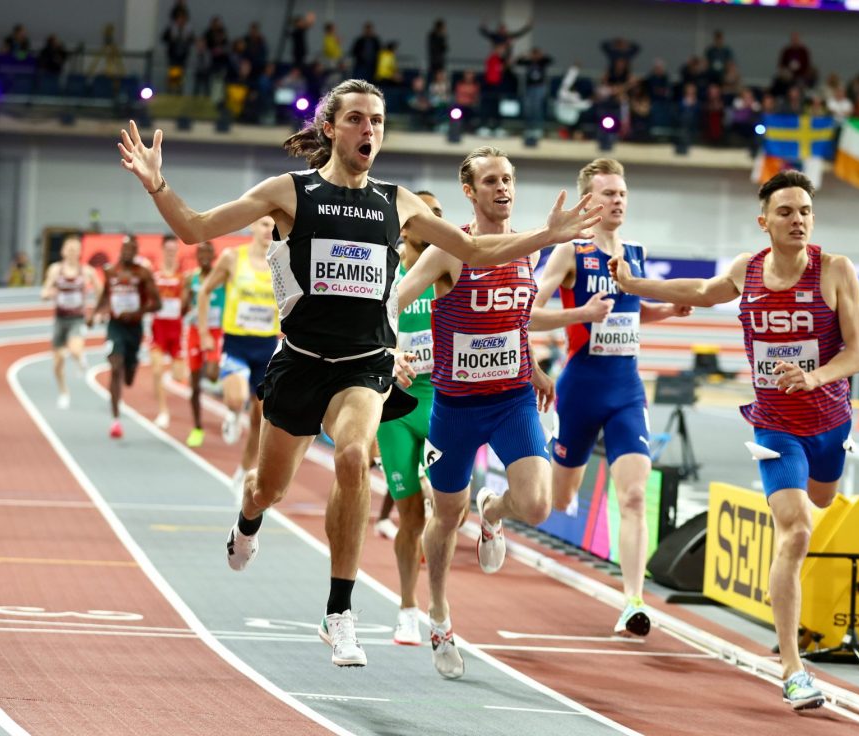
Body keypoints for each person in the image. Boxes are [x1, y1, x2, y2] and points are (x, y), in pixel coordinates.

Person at [115, 78, 600, 669]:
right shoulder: (288, 193)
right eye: (357, 119)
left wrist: (548, 235)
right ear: (330, 128)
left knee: (351, 457)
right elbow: (194, 228)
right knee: (268, 487)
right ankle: (248, 519)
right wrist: (157, 183)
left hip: (364, 364)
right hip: (300, 362)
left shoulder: (399, 203)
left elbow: (473, 254)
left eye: (377, 120)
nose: (369, 129)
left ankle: (338, 612)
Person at [608, 169, 859, 711]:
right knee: (795, 532)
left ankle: (802, 495)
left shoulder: (835, 270)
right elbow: (702, 292)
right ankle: (794, 670)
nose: (797, 220)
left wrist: (817, 376)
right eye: (786, 212)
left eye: (805, 211)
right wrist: (635, 286)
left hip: (829, 421)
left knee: (823, 501)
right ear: (764, 221)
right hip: (776, 426)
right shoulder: (746, 271)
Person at [395, 147, 560, 679]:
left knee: (536, 505)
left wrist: (532, 364)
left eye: (508, 179)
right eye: (491, 181)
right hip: (457, 407)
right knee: (444, 516)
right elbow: (397, 297)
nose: (503, 188)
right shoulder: (448, 250)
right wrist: (390, 348)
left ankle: (493, 513)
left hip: (511, 400)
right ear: (470, 191)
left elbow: (518, 313)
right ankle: (439, 613)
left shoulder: (528, 251)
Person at [529, 158, 691, 636]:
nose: (618, 200)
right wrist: (580, 310)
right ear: (589, 201)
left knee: (635, 496)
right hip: (580, 387)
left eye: (622, 193)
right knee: (554, 502)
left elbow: (629, 314)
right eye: (609, 194)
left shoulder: (635, 254)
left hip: (626, 390)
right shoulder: (570, 253)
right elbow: (529, 314)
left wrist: (666, 310)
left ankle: (634, 601)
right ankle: (497, 508)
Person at [374, 191, 443, 645]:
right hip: (395, 409)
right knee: (410, 515)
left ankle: (440, 607)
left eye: (440, 215)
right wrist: (390, 353)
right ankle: (407, 607)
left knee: (446, 499)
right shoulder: (384, 271)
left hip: (441, 400)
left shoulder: (451, 269)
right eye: (428, 215)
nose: (438, 222)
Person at [195, 217, 279, 491]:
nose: (269, 230)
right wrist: (205, 332)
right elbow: (205, 291)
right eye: (264, 224)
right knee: (235, 398)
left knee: (261, 419)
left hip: (267, 347)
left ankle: (244, 470)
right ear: (252, 226)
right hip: (237, 344)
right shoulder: (233, 258)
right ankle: (232, 413)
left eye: (273, 226)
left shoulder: (283, 262)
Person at [89, 235, 162, 439]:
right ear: (120, 250)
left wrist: (137, 312)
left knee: (128, 376)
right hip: (115, 326)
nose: (127, 252)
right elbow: (105, 295)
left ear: (136, 250)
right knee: (115, 366)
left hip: (134, 328)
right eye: (124, 248)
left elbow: (157, 303)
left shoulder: (143, 273)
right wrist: (94, 313)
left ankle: (133, 364)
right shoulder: (111, 271)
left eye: (131, 249)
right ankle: (115, 420)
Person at [40, 233, 102, 409]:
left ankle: (80, 358)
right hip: (60, 319)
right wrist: (48, 294)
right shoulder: (55, 269)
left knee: (75, 350)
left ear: (80, 252)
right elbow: (44, 291)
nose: (72, 252)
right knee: (57, 362)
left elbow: (100, 291)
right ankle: (63, 392)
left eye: (75, 249)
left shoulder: (87, 271)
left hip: (77, 318)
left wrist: (97, 310)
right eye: (69, 249)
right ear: (63, 251)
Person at [184, 240, 225, 447]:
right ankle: (197, 427)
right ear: (196, 257)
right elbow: (183, 307)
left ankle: (223, 376)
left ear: (214, 255)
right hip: (194, 333)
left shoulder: (222, 278)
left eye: (209, 252)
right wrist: (188, 300)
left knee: (211, 373)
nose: (205, 257)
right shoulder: (191, 278)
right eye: (201, 253)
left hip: (217, 332)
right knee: (194, 385)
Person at [150, 236, 188, 429]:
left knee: (178, 376)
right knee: (157, 371)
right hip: (158, 331)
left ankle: (180, 371)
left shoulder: (183, 277)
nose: (171, 252)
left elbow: (187, 302)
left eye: (174, 249)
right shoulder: (154, 275)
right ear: (163, 250)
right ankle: (163, 411)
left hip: (176, 332)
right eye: (168, 249)